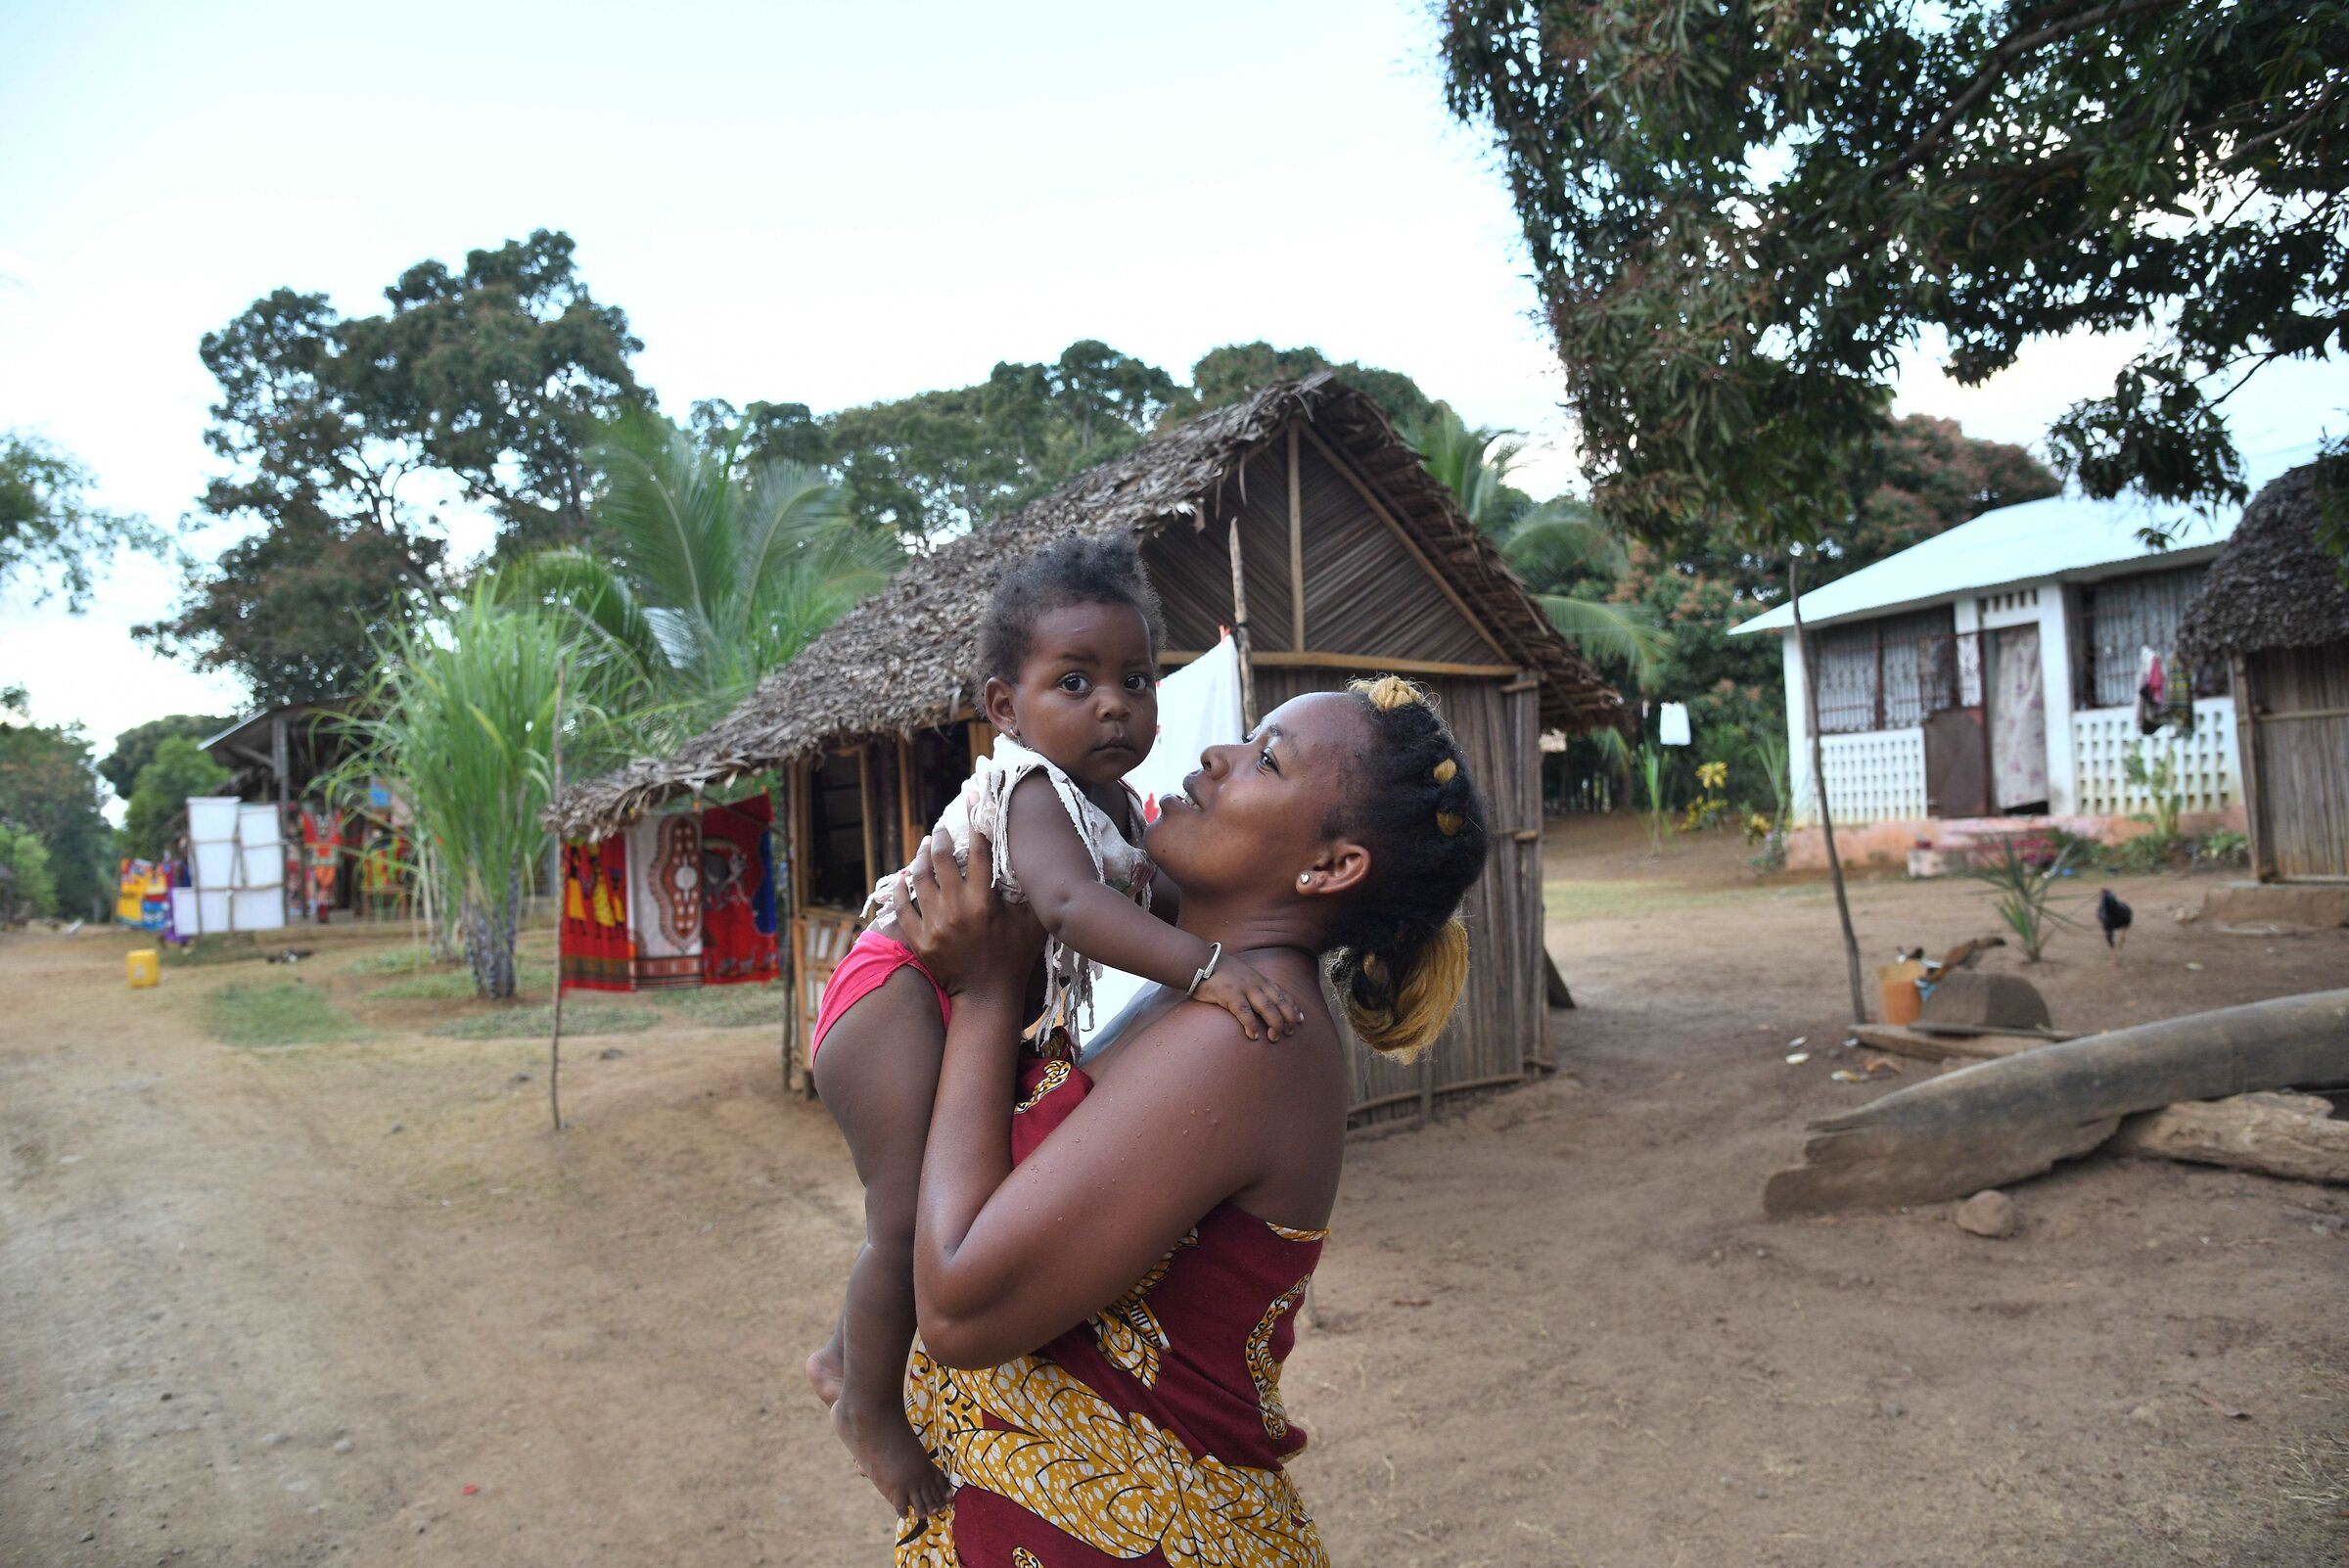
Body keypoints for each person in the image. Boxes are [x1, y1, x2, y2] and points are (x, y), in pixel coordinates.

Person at [888, 674, 1491, 1564]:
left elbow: (961, 1309)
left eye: (1266, 761)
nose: (1216, 757)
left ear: (1329, 868)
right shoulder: (1201, 998)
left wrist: (982, 995)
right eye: (1247, 737)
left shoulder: (1249, 1041)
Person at [806, 535, 1306, 1521]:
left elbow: (1155, 893)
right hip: (894, 993)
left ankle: (847, 1355)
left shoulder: (1114, 804)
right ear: (1006, 709)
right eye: (1074, 681)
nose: (1113, 702)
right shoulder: (1029, 788)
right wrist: (1211, 969)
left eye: (1135, 678)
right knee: (908, 1218)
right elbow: (1076, 911)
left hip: (953, 998)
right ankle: (861, 1396)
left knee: (967, 1184)